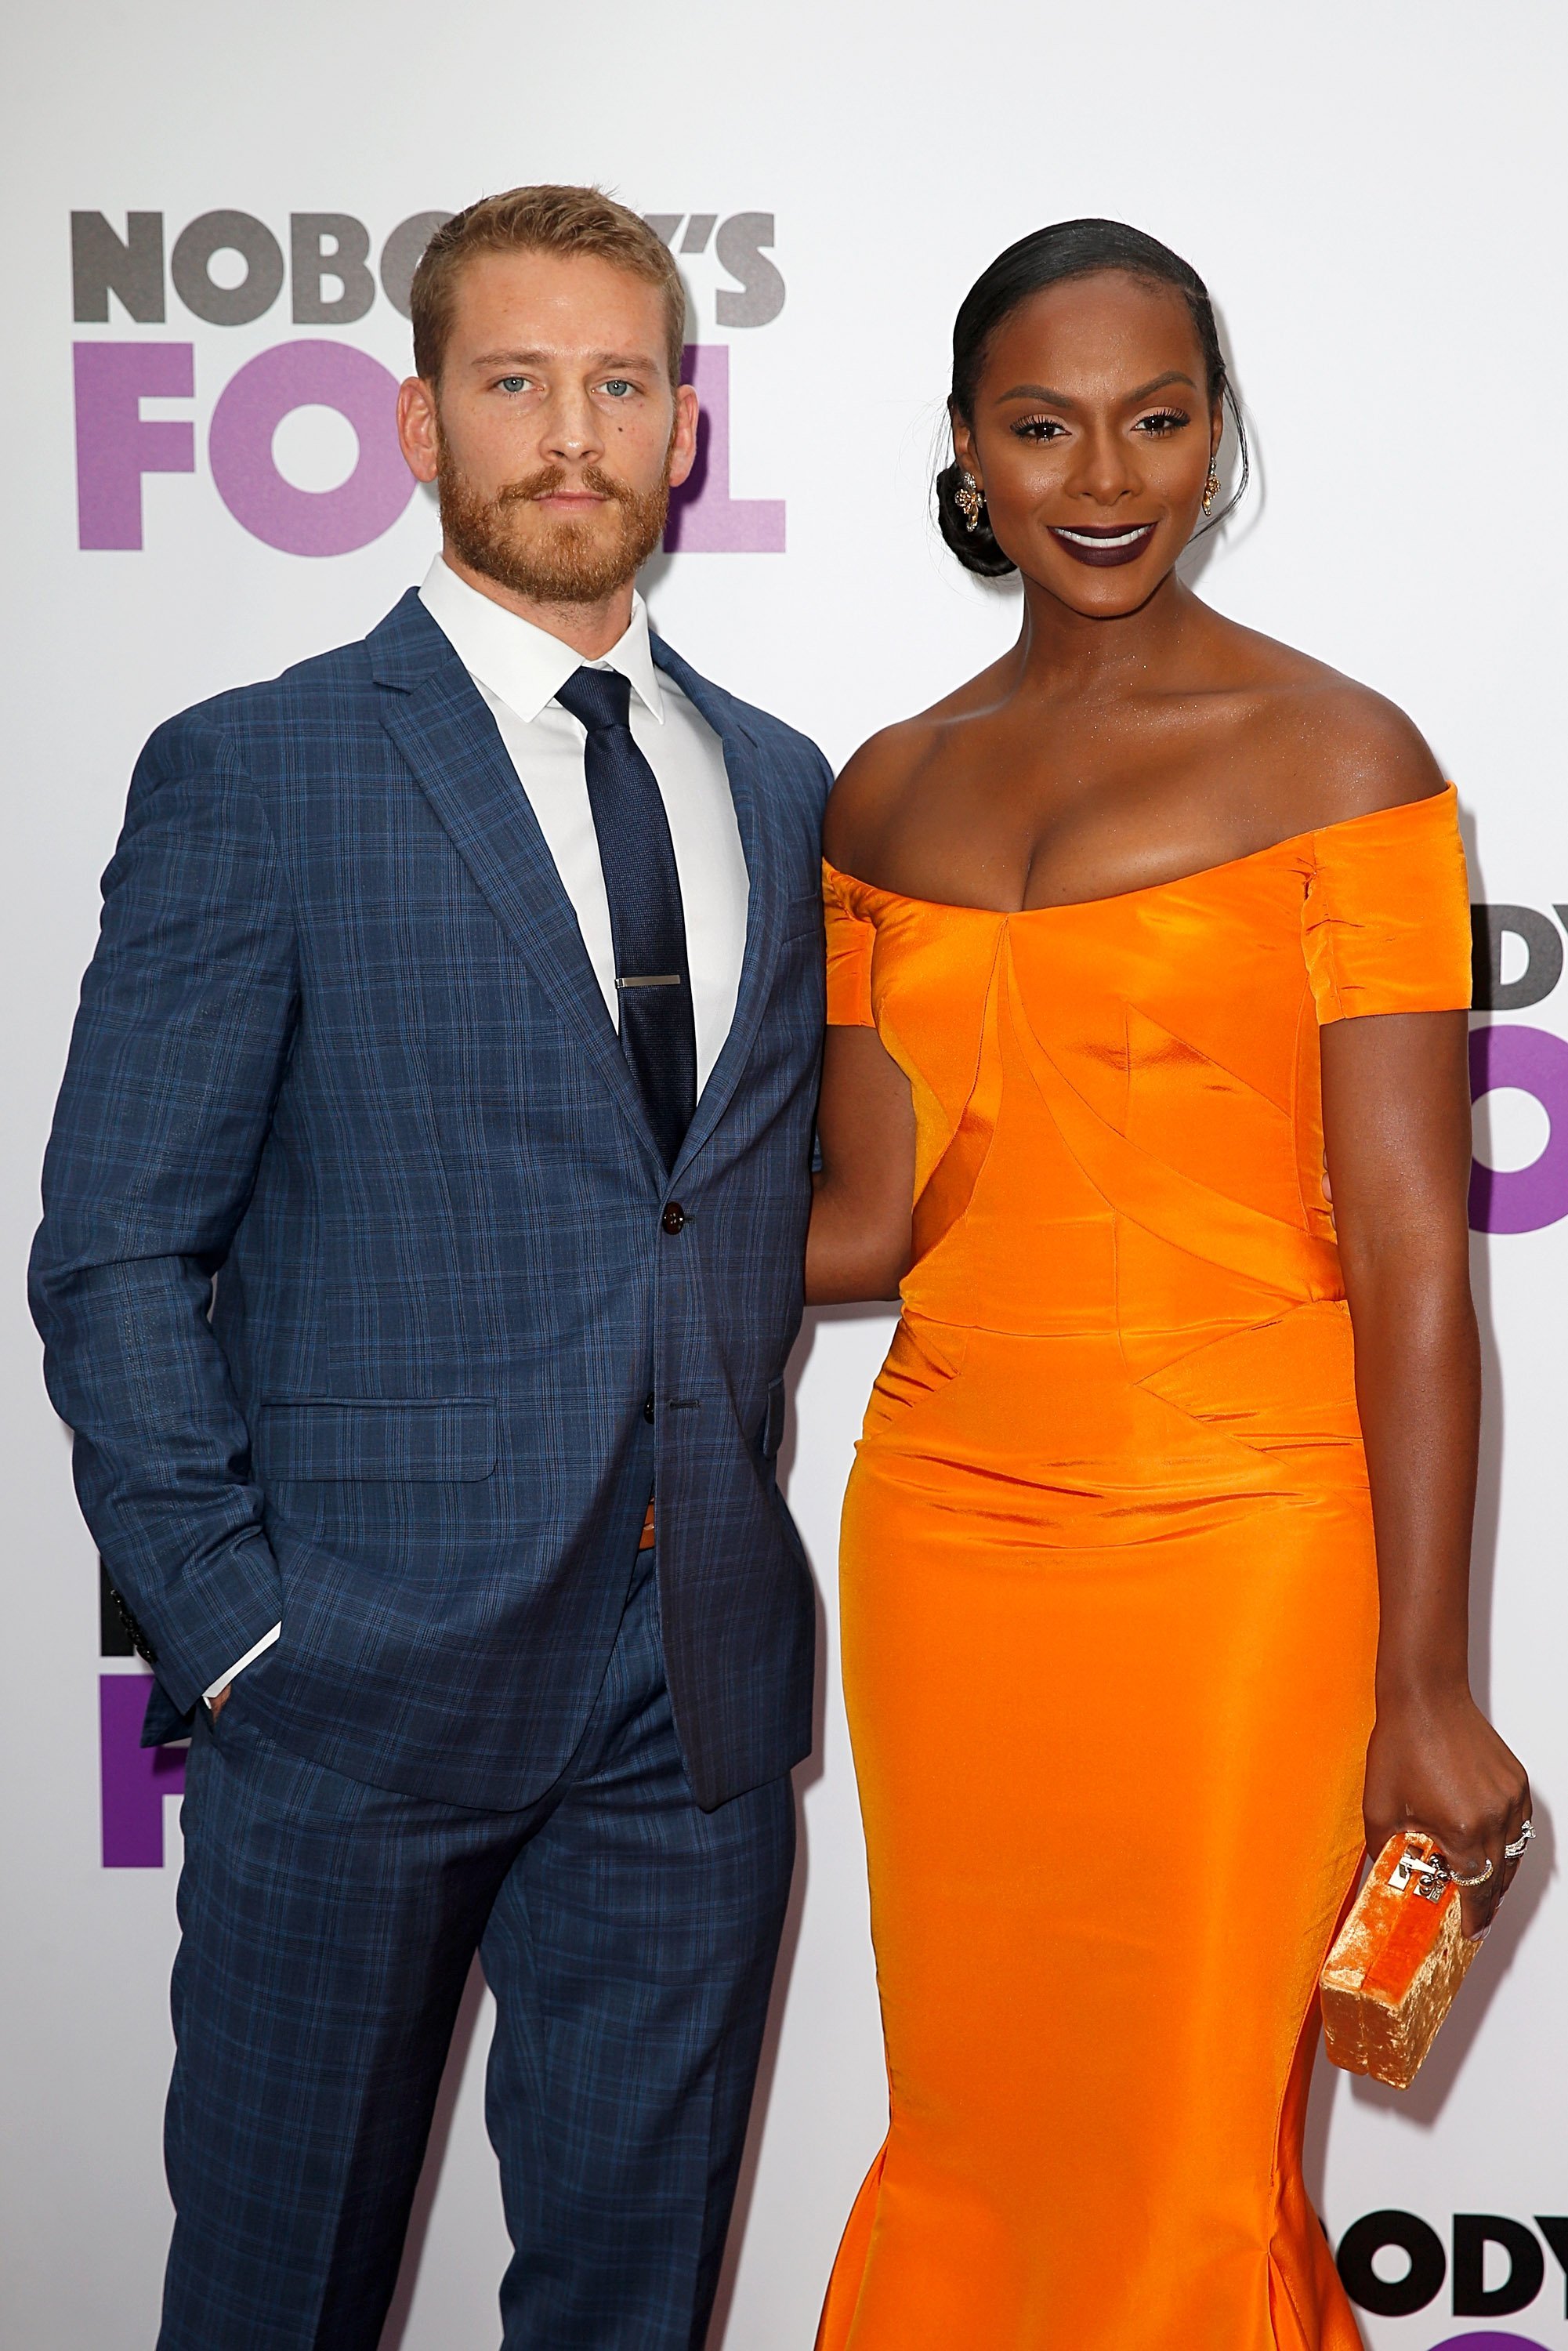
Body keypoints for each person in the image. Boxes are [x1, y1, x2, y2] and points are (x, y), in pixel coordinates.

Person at [31, 184, 829, 2351]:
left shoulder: (779, 783)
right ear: (412, 423)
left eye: (619, 382)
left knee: (630, 2310)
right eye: (513, 382)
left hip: (693, 1707)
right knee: (276, 2302)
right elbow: (113, 1247)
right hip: (350, 1698)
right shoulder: (260, 771)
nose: (570, 433)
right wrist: (240, 1634)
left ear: (686, 426)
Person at [806, 219, 1532, 2349]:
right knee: (974, 2127)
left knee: (1185, 2159)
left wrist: (1422, 1676)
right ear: (963, 451)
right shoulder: (883, 787)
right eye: (1040, 425)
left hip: (1243, 1543)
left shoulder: (1344, 765)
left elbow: (1412, 1250)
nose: (1100, 475)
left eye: (1154, 416)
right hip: (947, 1532)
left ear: (1216, 436)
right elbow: (854, 1224)